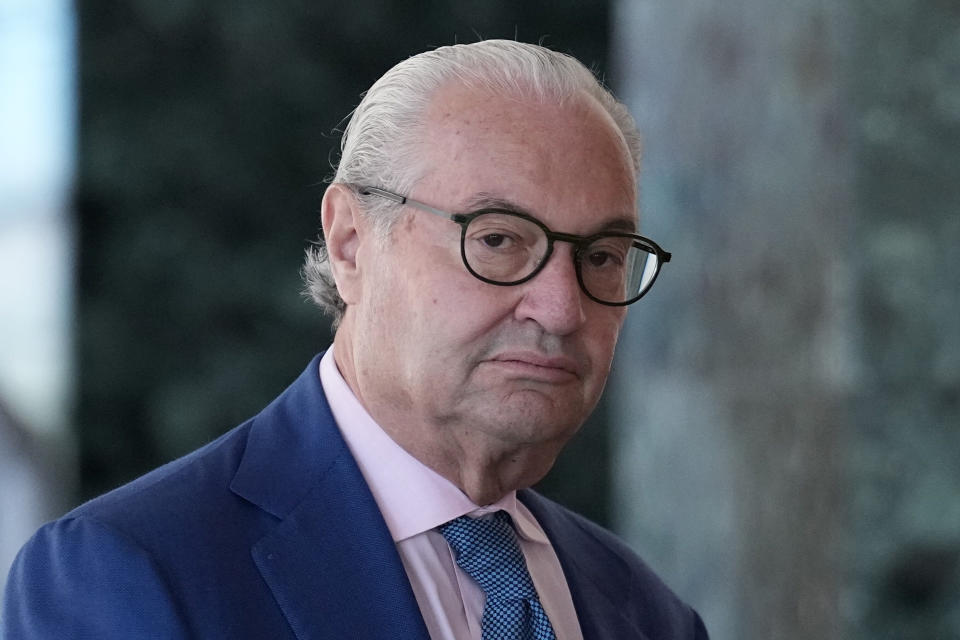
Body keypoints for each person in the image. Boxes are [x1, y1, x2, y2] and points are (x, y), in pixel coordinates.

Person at [2, 40, 708, 639]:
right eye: (498, 240)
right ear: (349, 244)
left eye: (602, 258)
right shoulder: (129, 574)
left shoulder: (646, 612)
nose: (560, 310)